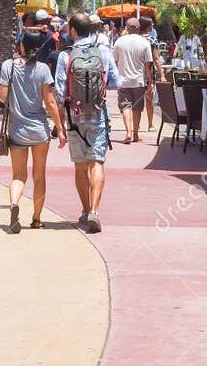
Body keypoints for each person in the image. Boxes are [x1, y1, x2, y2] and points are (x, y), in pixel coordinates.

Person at [0, 29, 68, 233]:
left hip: (17, 130)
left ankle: (14, 203)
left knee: (18, 175)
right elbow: (50, 102)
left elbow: (2, 97)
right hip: (39, 132)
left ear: (21, 46)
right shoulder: (43, 69)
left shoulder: (9, 66)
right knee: (39, 175)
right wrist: (60, 130)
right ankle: (36, 218)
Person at [56, 12, 117, 233]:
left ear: (73, 31)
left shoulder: (66, 57)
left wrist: (60, 123)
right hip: (99, 115)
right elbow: (115, 83)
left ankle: (84, 210)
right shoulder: (104, 53)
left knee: (80, 167)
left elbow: (60, 93)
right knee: (97, 163)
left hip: (75, 118)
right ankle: (95, 211)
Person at [112, 16, 158, 144]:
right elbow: (148, 64)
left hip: (123, 80)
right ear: (138, 28)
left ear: (126, 28)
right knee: (137, 108)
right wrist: (150, 82)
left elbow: (114, 62)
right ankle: (136, 134)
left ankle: (128, 132)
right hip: (139, 81)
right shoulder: (144, 43)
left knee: (125, 106)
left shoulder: (119, 42)